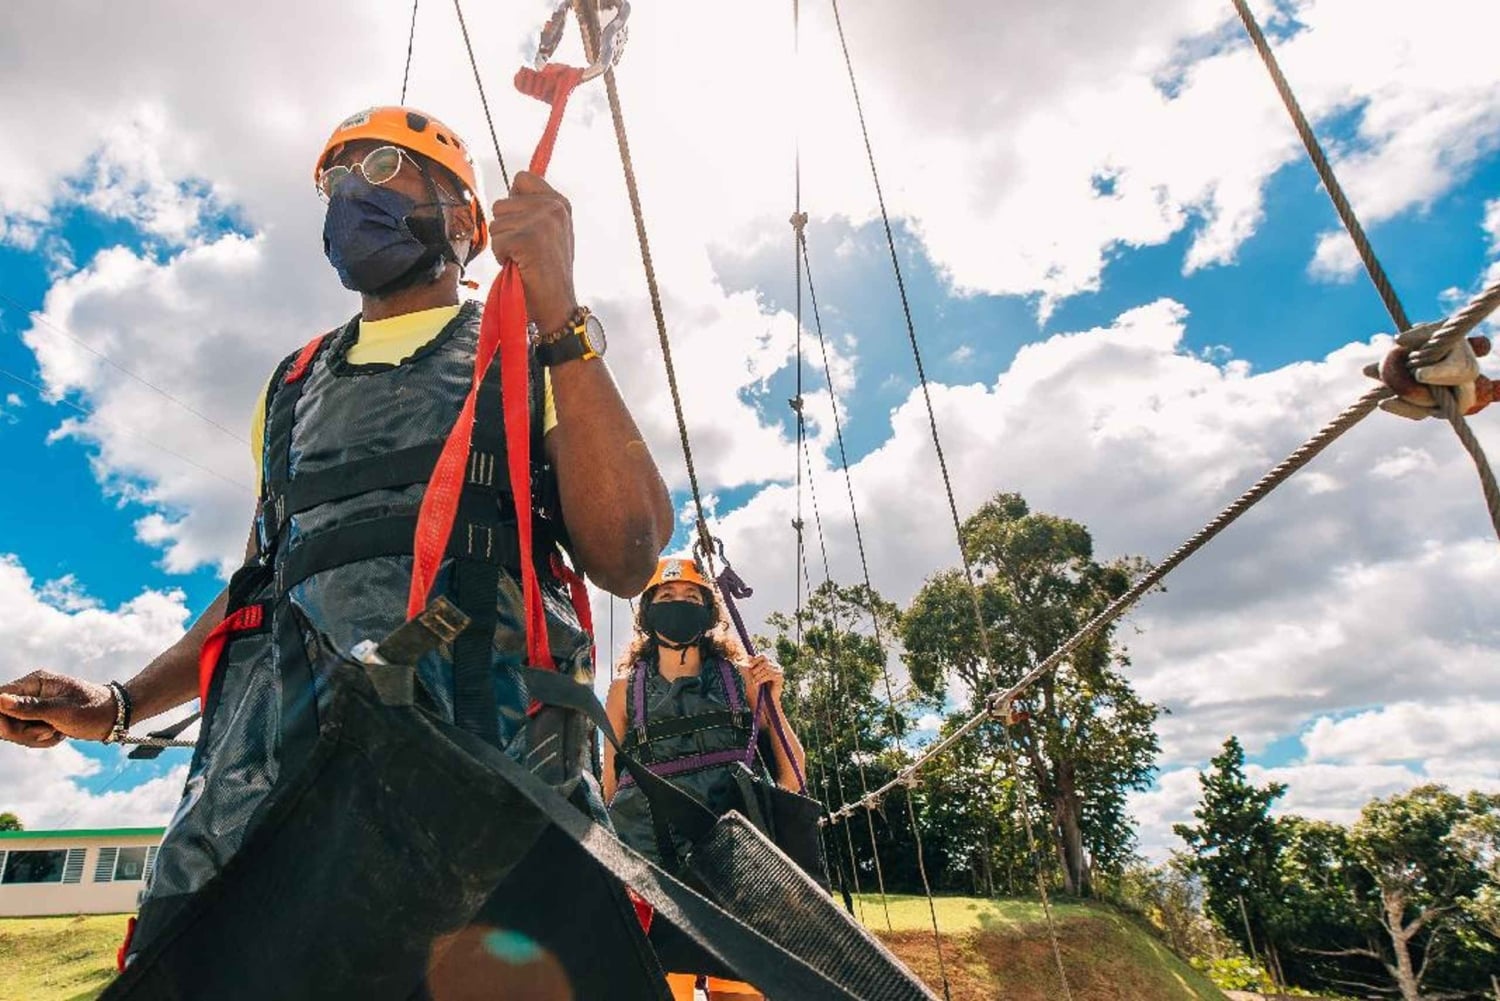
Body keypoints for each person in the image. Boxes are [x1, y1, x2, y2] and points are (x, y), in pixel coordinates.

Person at [0, 106, 674, 958]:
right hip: (290, 796)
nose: (351, 193)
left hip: (490, 786)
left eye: (387, 166)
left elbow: (629, 553)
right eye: (335, 180)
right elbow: (261, 593)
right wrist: (119, 703)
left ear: (463, 220)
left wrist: (560, 311)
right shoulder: (290, 385)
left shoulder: (527, 349)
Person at [603, 555, 808, 1001]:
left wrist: (774, 699)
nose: (678, 603)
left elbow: (792, 776)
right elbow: (609, 787)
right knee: (661, 986)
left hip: (738, 865)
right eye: (666, 595)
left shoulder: (743, 681)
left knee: (740, 989)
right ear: (647, 611)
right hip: (657, 872)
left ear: (710, 612)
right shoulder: (623, 693)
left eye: (691, 596)